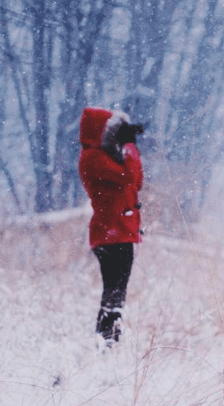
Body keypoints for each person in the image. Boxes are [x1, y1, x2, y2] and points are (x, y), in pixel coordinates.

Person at [78, 107, 144, 346]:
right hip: (110, 233)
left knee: (117, 293)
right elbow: (128, 176)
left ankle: (109, 340)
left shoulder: (106, 157)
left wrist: (127, 148)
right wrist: (129, 147)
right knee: (113, 292)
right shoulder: (92, 158)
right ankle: (106, 341)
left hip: (120, 232)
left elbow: (136, 180)